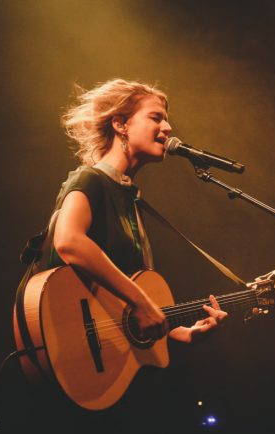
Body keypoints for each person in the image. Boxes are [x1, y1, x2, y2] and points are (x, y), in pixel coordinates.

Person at [48, 78, 228, 343]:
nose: (167, 128)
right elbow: (69, 241)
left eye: (165, 120)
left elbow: (123, 310)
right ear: (120, 124)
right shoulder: (90, 179)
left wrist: (184, 333)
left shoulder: (128, 197)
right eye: (156, 118)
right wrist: (142, 301)